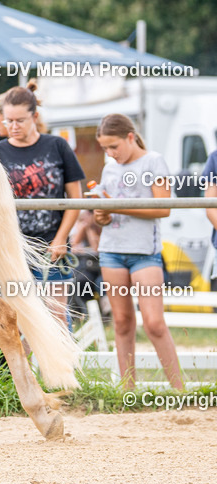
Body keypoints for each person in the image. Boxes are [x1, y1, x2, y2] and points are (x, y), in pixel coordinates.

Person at [93, 113, 183, 390]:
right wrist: (101, 215)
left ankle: (179, 390)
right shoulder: (109, 168)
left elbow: (163, 207)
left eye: (114, 146)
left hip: (145, 252)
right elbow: (104, 214)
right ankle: (127, 390)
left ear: (130, 137)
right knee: (121, 322)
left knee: (154, 323)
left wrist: (114, 207)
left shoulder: (153, 161)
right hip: (111, 250)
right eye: (105, 148)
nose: (110, 153)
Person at [0, 83, 85, 327]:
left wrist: (61, 239)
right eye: (8, 120)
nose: (12, 126)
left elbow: (76, 198)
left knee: (56, 315)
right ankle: (22, 367)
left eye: (20, 120)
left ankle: (60, 366)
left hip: (52, 248)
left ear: (35, 116)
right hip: (14, 248)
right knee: (20, 320)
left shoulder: (57, 146)